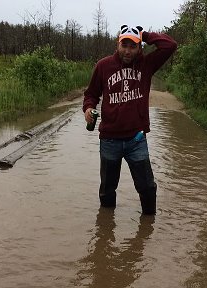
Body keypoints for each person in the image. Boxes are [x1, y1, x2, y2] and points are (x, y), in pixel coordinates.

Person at [83, 24, 177, 215]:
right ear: (117, 44)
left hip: (137, 139)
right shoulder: (103, 66)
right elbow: (91, 94)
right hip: (109, 139)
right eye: (124, 45)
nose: (127, 51)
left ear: (139, 47)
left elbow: (170, 46)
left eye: (132, 46)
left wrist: (146, 35)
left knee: (147, 188)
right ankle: (106, 228)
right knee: (107, 189)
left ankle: (148, 225)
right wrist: (88, 108)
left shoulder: (147, 65)